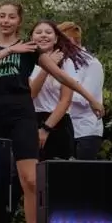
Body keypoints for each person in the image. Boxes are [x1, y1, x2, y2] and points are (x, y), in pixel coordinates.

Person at [0, 0, 103, 223]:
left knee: (31, 179)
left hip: (22, 115)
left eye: (11, 17)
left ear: (19, 21)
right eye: (2, 16)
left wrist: (91, 99)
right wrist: (11, 50)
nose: (6, 21)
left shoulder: (31, 49)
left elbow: (61, 76)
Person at [29, 20, 88, 161]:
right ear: (31, 38)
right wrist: (48, 66)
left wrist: (46, 128)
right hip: (31, 121)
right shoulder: (26, 61)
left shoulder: (66, 62)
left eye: (48, 32)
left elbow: (66, 100)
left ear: (55, 38)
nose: (43, 35)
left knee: (59, 171)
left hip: (59, 123)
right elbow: (31, 93)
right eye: (38, 32)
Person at [58, 22, 105, 160]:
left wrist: (60, 95)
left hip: (86, 130)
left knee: (82, 171)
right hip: (64, 129)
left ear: (71, 40)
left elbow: (84, 99)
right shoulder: (62, 62)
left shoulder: (92, 64)